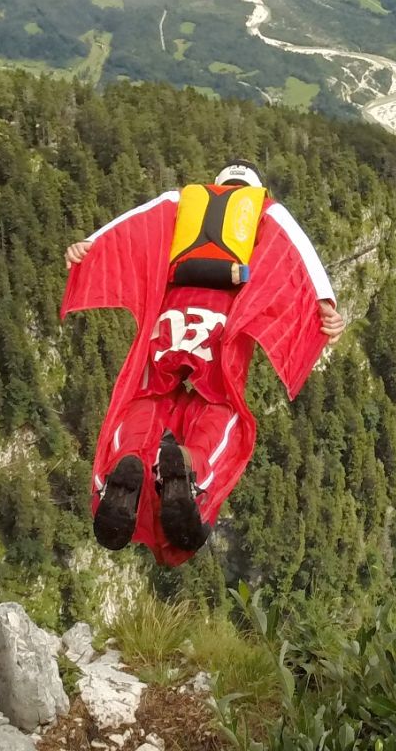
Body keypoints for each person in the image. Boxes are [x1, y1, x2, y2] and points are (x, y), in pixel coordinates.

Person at [61, 161, 344, 565]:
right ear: (254, 187)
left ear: (219, 181)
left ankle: (130, 461)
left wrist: (86, 245)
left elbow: (130, 226)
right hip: (218, 332)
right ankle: (191, 468)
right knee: (223, 407)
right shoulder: (264, 211)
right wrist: (326, 307)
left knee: (145, 396)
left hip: (169, 322)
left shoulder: (180, 203)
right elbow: (299, 256)